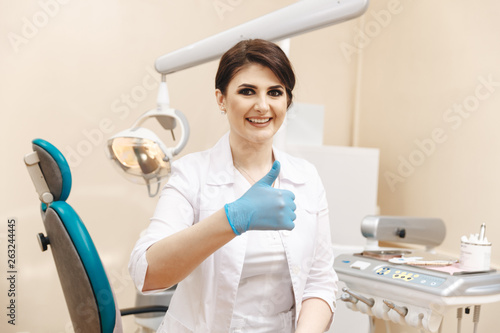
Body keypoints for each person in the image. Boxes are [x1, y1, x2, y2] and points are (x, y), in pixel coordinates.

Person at [129, 39, 338, 333]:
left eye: (275, 92)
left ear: (287, 101)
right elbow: (147, 273)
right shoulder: (192, 174)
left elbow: (320, 281)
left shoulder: (306, 177)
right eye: (247, 91)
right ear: (221, 99)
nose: (262, 105)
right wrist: (232, 218)